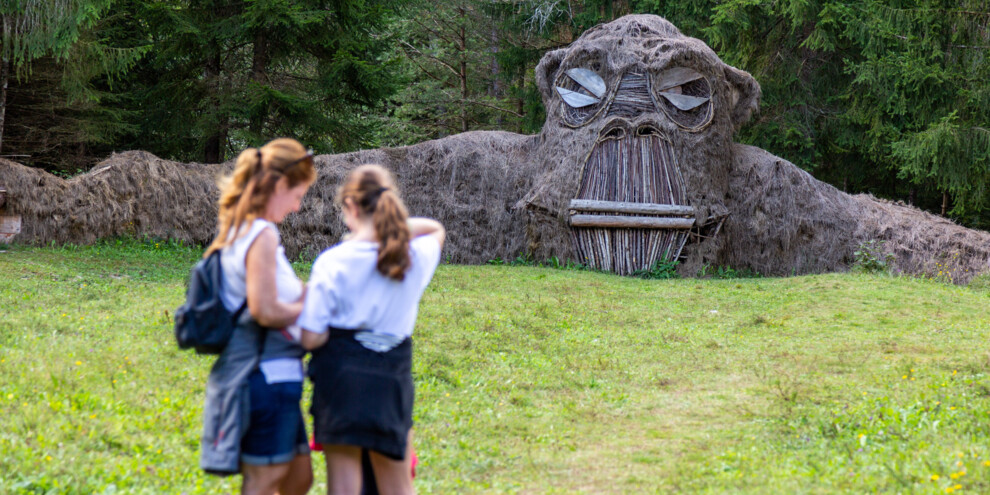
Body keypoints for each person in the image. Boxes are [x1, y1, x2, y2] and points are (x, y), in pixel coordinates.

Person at [298, 164, 445, 495]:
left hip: (339, 381)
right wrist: (389, 228)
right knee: (397, 485)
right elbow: (435, 229)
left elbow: (311, 337)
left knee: (344, 485)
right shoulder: (412, 257)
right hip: (390, 379)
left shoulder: (332, 261)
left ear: (350, 205)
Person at [199, 138, 316, 495]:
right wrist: (311, 313)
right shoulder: (261, 234)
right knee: (264, 482)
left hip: (274, 377)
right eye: (297, 196)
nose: (297, 207)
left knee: (299, 479)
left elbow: (278, 292)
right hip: (264, 375)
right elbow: (264, 308)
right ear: (279, 185)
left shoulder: (242, 230)